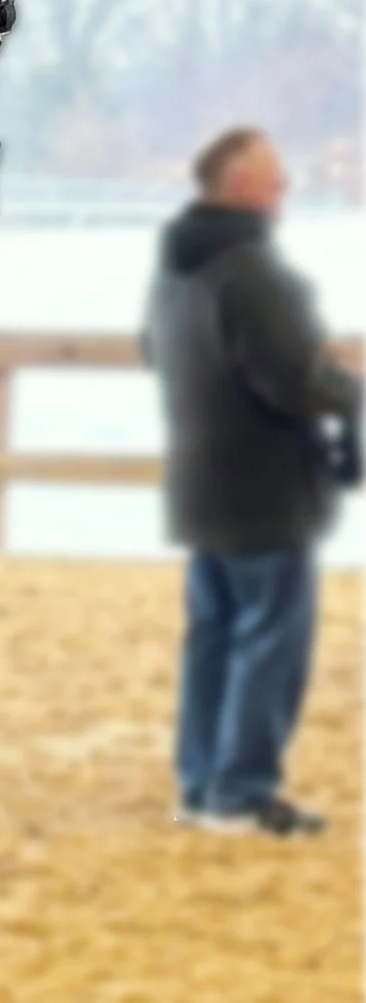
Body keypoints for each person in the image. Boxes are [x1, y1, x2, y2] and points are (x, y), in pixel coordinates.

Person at [149, 124, 360, 835]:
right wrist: (349, 388)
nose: (284, 187)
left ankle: (201, 785)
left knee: (214, 636)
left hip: (202, 485)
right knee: (270, 640)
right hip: (264, 490)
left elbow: (162, 353)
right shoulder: (252, 271)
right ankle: (238, 793)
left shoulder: (178, 268)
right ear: (240, 184)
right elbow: (293, 381)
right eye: (273, 175)